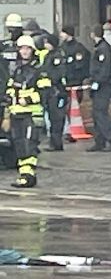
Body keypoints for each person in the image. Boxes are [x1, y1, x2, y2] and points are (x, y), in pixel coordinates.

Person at [3, 35, 45, 188]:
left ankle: (29, 175)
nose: (24, 51)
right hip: (16, 114)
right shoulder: (17, 69)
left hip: (31, 115)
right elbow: (10, 88)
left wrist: (28, 100)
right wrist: (8, 99)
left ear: (32, 50)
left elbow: (45, 92)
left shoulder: (38, 69)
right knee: (19, 146)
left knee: (29, 145)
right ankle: (24, 175)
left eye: (27, 49)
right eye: (22, 49)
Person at [57, 26, 91, 143]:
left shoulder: (78, 48)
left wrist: (78, 78)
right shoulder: (61, 48)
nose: (61, 35)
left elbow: (80, 65)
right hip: (64, 83)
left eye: (63, 32)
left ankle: (71, 131)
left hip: (75, 83)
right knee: (65, 108)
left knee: (72, 107)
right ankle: (67, 131)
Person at [87, 26, 111, 152]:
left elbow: (104, 69)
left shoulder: (103, 48)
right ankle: (99, 141)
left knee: (100, 113)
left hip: (103, 86)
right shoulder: (99, 47)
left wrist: (98, 81)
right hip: (97, 84)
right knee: (95, 113)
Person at [38, 35, 67, 151]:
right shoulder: (48, 55)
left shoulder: (57, 56)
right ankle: (54, 142)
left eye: (47, 42)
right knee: (51, 117)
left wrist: (49, 78)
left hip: (56, 91)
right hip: (48, 92)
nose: (45, 44)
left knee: (57, 118)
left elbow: (59, 73)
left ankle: (57, 143)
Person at [1, 13, 24, 83]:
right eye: (9, 29)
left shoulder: (25, 43)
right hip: (4, 78)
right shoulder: (3, 45)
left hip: (20, 78)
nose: (10, 32)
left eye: (13, 29)